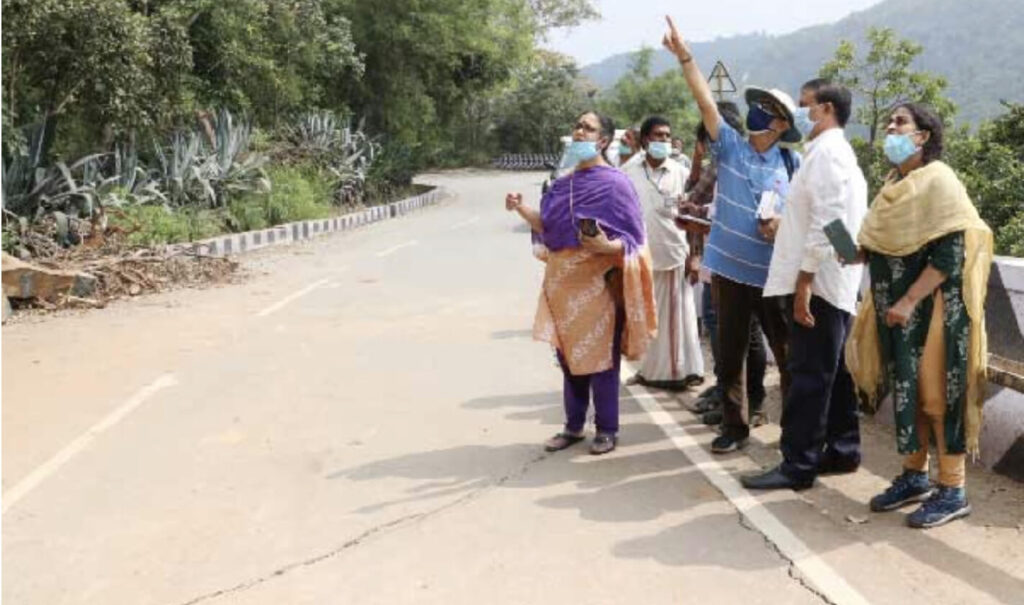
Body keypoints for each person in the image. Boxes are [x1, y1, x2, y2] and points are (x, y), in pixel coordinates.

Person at [845, 103, 993, 528]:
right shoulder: (895, 183)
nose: (891, 128)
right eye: (889, 122)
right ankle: (915, 477)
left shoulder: (939, 181)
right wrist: (856, 250)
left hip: (936, 309)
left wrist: (909, 301)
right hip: (900, 311)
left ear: (923, 136)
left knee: (937, 396)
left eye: (900, 123)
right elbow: (886, 244)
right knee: (907, 391)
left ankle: (953, 489)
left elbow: (950, 252)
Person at [663, 15, 800, 453]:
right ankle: (734, 427)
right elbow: (706, 103)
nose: (758, 112)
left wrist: (782, 227)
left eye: (769, 111)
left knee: (788, 357)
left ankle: (793, 432)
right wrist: (685, 57)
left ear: (781, 126)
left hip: (774, 274)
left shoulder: (792, 165)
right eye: (757, 106)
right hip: (728, 271)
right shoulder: (731, 148)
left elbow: (804, 218)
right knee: (729, 355)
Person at [505, 110, 657, 456]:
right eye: (577, 126)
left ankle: (607, 428)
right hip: (561, 287)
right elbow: (548, 227)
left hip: (599, 285)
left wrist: (607, 246)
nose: (578, 131)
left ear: (603, 140)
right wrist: (520, 208)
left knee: (602, 359)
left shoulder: (617, 184)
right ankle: (573, 427)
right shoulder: (562, 184)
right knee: (568, 358)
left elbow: (635, 240)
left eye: (587, 128)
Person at [742, 79, 868, 491]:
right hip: (836, 280)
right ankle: (843, 450)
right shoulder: (831, 154)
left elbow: (829, 222)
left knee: (808, 374)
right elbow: (838, 227)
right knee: (833, 373)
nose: (798, 112)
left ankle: (797, 465)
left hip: (822, 285)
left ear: (825, 108)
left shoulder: (828, 155)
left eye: (803, 104)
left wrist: (805, 282)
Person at [679, 104, 768, 427]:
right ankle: (734, 403)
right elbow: (702, 201)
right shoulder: (725, 161)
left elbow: (745, 216)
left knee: (746, 336)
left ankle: (751, 404)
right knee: (727, 335)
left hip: (739, 264)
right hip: (720, 262)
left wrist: (699, 217)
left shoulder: (743, 164)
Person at [622, 116, 704, 390]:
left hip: (673, 254)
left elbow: (692, 218)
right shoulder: (629, 173)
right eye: (657, 135)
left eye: (667, 136)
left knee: (677, 319)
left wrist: (694, 255)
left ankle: (680, 372)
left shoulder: (680, 173)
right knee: (647, 317)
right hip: (641, 257)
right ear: (645, 140)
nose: (663, 141)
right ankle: (650, 370)